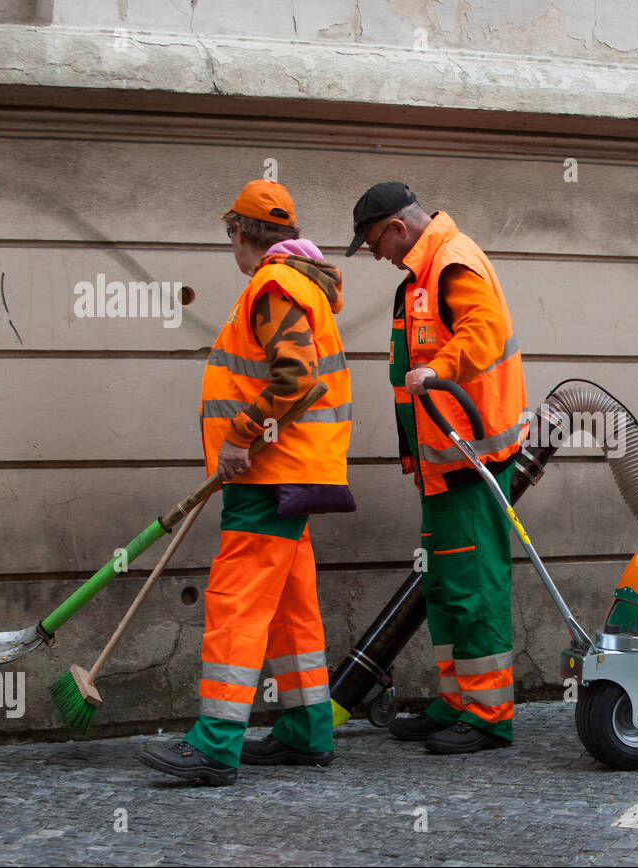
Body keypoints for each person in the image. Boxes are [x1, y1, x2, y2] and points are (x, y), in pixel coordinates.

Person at [139, 180, 353, 785]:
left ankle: (213, 745)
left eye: (231, 232)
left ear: (241, 232)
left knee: (236, 601)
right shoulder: (302, 283)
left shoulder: (272, 285)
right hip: (295, 470)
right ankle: (307, 731)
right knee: (291, 607)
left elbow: (295, 378)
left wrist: (239, 434)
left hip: (269, 472)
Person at [346, 182, 527, 754]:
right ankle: (457, 702)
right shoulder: (424, 273)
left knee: (474, 588)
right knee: (447, 586)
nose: (376, 254)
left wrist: (438, 368)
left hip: (470, 461)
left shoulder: (451, 262)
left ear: (398, 228)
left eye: (375, 242)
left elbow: (485, 331)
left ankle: (489, 715)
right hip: (442, 464)